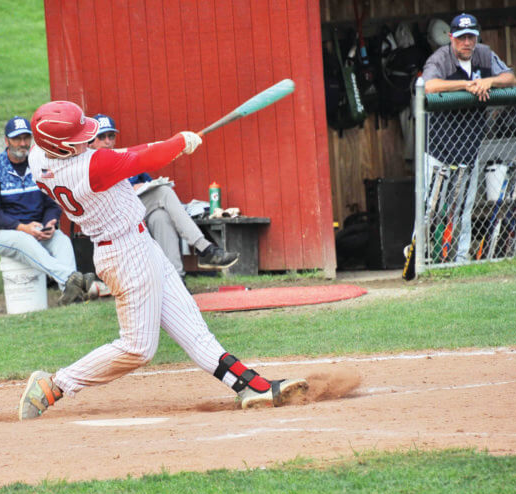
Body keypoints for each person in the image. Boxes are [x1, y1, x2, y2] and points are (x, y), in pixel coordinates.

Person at [18, 101, 307, 420]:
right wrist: (179, 143)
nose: (86, 139)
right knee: (137, 348)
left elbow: (128, 153)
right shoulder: (91, 168)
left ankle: (251, 386)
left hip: (137, 245)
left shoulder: (38, 156)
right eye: (77, 139)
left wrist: (174, 142)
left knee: (195, 331)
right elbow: (142, 158)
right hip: (125, 256)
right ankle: (55, 385)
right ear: (61, 147)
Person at [90, 114, 239, 279]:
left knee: (160, 216)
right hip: (111, 219)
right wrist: (131, 188)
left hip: (134, 211)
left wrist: (175, 146)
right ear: (90, 140)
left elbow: (146, 165)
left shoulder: (121, 157)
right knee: (163, 192)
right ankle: (204, 248)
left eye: (111, 136)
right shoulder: (89, 162)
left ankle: (176, 278)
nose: (107, 141)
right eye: (101, 137)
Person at [422, 13, 516, 262]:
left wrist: (489, 81)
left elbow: (510, 77)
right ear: (451, 37)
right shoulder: (440, 57)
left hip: (469, 146)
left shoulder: (484, 54)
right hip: (437, 147)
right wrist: (465, 85)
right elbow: (428, 86)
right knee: (429, 207)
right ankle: (421, 256)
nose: (467, 43)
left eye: (471, 37)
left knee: (463, 208)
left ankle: (460, 258)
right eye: (462, 37)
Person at [0, 115, 90, 305]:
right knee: (24, 240)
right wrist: (23, 228)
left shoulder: (39, 165)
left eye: (26, 138)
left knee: (61, 240)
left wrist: (50, 222)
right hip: (4, 233)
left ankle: (72, 296)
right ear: (6, 141)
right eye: (17, 139)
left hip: (38, 229)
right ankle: (72, 279)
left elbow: (52, 202)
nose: (22, 143)